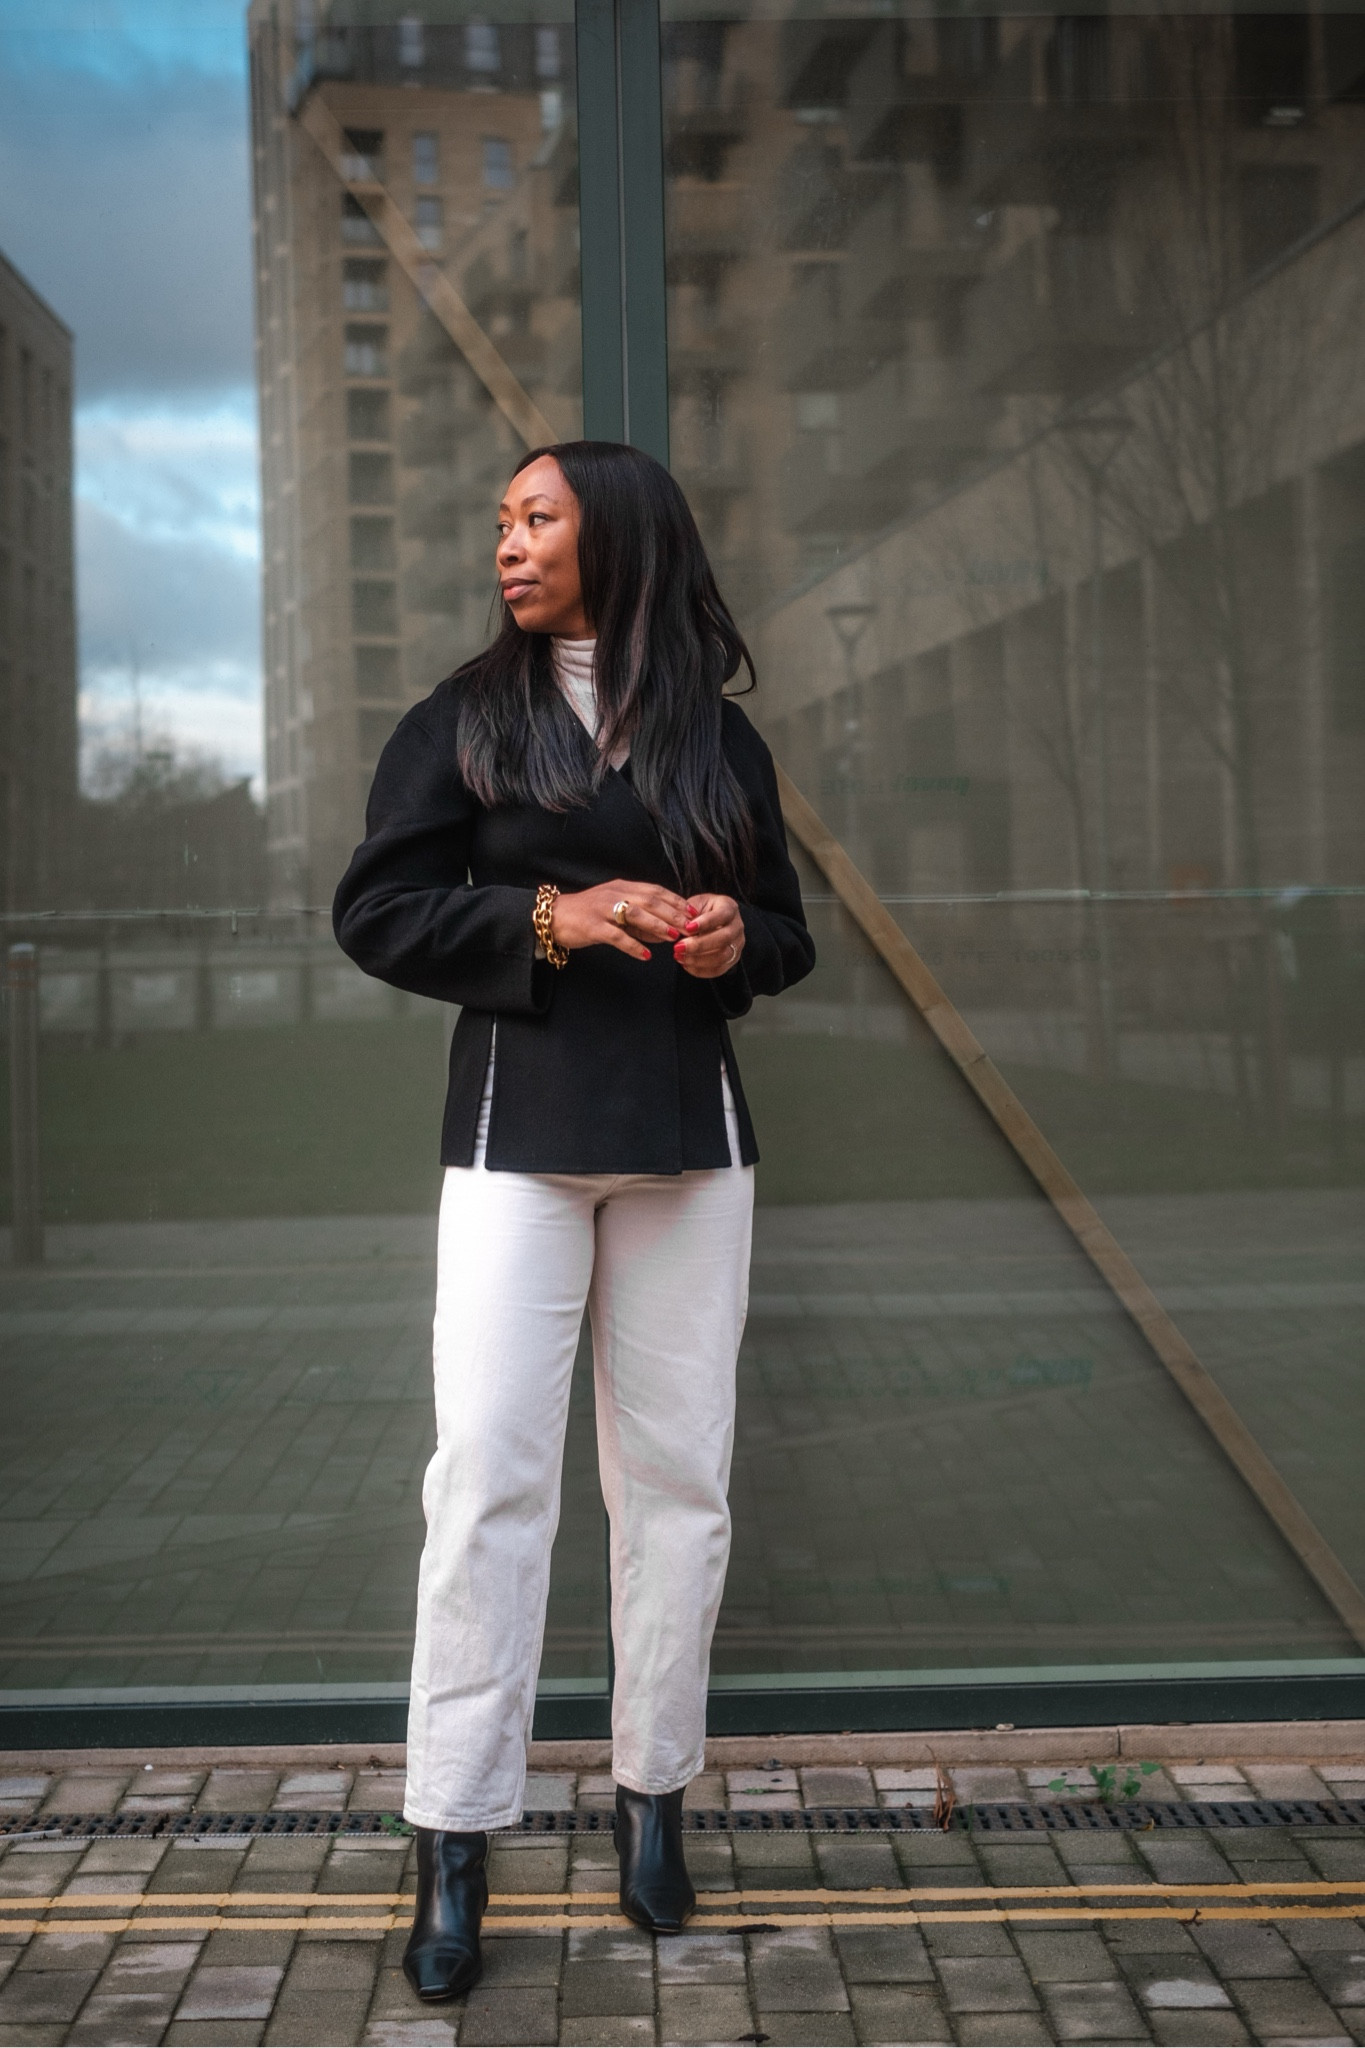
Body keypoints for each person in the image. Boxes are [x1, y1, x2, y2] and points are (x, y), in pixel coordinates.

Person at [333, 439, 815, 2002]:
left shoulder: (715, 742)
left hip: (692, 1143)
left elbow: (787, 935)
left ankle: (654, 1803)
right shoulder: (464, 720)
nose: (509, 544)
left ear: (618, 537)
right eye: (501, 521)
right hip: (518, 1140)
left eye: (537, 518)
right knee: (488, 1484)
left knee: (677, 1485)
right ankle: (455, 1834)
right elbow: (379, 914)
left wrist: (735, 930)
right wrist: (554, 915)